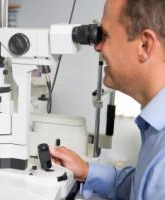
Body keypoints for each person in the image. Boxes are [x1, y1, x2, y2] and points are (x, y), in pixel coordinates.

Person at [50, 0, 165, 199]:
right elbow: (139, 184)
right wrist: (86, 170)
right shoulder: (155, 129)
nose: (97, 47)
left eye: (105, 35)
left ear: (145, 45)